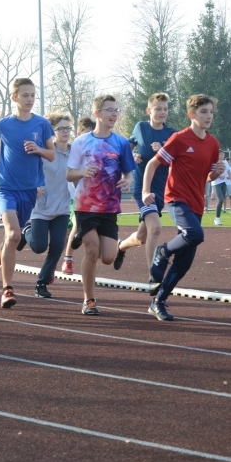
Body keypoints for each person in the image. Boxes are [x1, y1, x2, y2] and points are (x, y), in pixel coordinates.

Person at [0, 78, 55, 308]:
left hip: (29, 190)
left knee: (12, 239)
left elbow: (51, 154)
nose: (30, 99)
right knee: (13, 236)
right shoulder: (4, 124)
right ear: (14, 98)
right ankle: (7, 290)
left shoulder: (42, 124)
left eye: (33, 95)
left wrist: (38, 149)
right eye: (25, 95)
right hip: (6, 188)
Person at [146, 94, 225, 320]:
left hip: (197, 203)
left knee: (185, 262)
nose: (208, 116)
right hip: (176, 198)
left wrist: (215, 174)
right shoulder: (179, 139)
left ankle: (158, 302)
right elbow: (153, 163)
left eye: (210, 112)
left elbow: (207, 176)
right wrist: (144, 191)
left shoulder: (213, 143)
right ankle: (162, 251)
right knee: (194, 233)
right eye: (203, 112)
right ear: (192, 114)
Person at [66, 95, 135, 315]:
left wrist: (128, 180)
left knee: (107, 257)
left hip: (109, 206)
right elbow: (69, 174)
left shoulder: (121, 143)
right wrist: (82, 172)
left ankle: (83, 239)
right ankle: (89, 300)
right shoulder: (81, 142)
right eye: (109, 110)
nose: (114, 114)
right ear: (97, 113)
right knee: (92, 250)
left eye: (116, 110)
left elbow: (129, 172)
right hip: (85, 204)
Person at [114, 93, 176, 271]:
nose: (162, 112)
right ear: (149, 110)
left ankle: (120, 247)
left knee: (142, 237)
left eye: (165, 109)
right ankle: (154, 276)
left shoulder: (172, 134)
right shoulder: (140, 128)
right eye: (158, 109)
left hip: (160, 190)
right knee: (155, 228)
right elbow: (125, 151)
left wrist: (164, 150)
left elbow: (179, 162)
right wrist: (132, 157)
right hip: (142, 188)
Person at [20, 113, 73, 298]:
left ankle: (41, 283)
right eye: (61, 128)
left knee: (58, 246)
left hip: (62, 207)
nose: (65, 132)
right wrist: (34, 185)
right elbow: (28, 171)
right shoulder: (44, 152)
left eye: (68, 128)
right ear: (52, 132)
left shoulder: (75, 152)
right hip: (41, 207)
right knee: (38, 247)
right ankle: (26, 231)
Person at [61, 116, 96, 275]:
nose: (88, 137)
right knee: (76, 224)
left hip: (90, 198)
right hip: (70, 197)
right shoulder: (72, 148)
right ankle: (68, 260)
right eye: (86, 133)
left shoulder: (94, 151)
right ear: (79, 132)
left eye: (92, 133)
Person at [210, 149, 231, 225]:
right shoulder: (214, 162)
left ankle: (217, 218)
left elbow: (229, 172)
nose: (222, 156)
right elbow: (211, 171)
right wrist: (219, 175)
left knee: (222, 200)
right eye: (220, 154)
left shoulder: (225, 162)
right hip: (216, 183)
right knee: (220, 199)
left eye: (223, 154)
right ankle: (217, 219)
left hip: (224, 183)